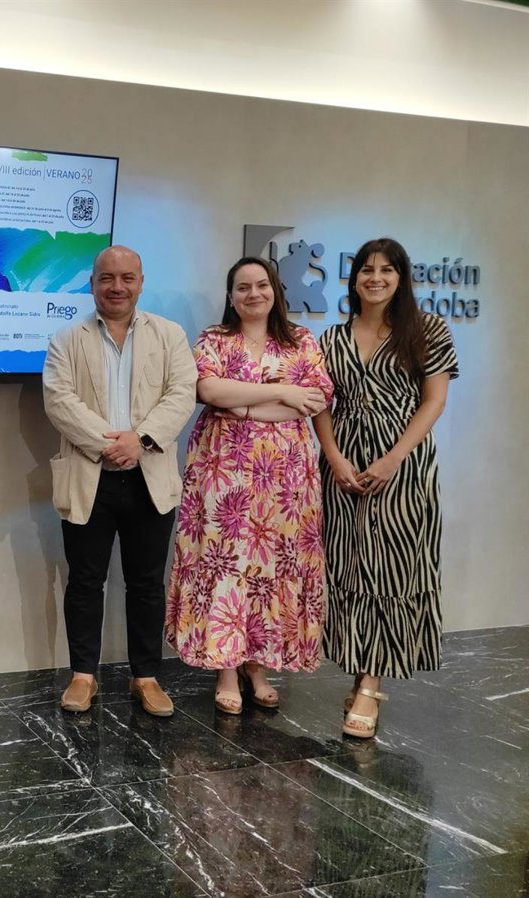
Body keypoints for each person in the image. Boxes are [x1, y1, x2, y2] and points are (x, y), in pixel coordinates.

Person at [165, 258, 333, 714]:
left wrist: (245, 405)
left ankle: (257, 666)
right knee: (227, 564)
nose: (253, 294)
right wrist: (281, 393)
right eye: (243, 287)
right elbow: (209, 391)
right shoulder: (214, 339)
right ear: (231, 295)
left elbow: (314, 399)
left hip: (286, 479)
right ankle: (226, 668)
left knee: (271, 567)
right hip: (224, 472)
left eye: (261, 285)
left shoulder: (301, 340)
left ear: (275, 290)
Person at [42, 245, 197, 717]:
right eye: (107, 278)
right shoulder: (66, 339)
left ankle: (145, 676)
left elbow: (181, 394)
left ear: (141, 282)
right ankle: (82, 675)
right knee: (85, 581)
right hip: (90, 476)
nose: (117, 287)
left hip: (149, 476)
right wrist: (110, 443)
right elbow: (58, 399)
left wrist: (140, 440)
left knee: (147, 583)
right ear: (92, 283)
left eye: (127, 277)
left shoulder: (170, 335)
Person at [313, 237, 458, 739]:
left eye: (386, 270)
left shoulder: (427, 330)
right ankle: (359, 671)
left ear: (401, 278)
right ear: (354, 278)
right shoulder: (331, 338)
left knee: (391, 568)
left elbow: (434, 400)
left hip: (403, 465)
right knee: (350, 564)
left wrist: (394, 458)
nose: (375, 278)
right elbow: (320, 404)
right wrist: (334, 457)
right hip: (343, 466)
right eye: (366, 270)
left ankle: (371, 685)